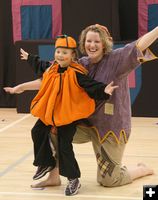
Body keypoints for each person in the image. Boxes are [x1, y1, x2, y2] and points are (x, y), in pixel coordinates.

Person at [21, 24, 157, 189]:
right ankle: (53, 177)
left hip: (110, 128)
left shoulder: (117, 59)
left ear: (105, 43)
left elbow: (139, 44)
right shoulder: (80, 63)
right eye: (88, 41)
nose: (92, 45)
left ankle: (141, 169)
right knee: (52, 127)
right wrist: (20, 88)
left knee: (109, 180)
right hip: (85, 125)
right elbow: (50, 77)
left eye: (96, 41)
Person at [4, 35, 118, 195]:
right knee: (37, 131)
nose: (60, 55)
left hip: (68, 115)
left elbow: (90, 85)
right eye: (58, 51)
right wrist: (29, 57)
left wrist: (103, 90)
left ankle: (73, 179)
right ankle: (45, 163)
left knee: (65, 147)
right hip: (51, 112)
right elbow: (40, 64)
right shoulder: (52, 69)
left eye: (65, 52)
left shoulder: (76, 73)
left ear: (72, 56)